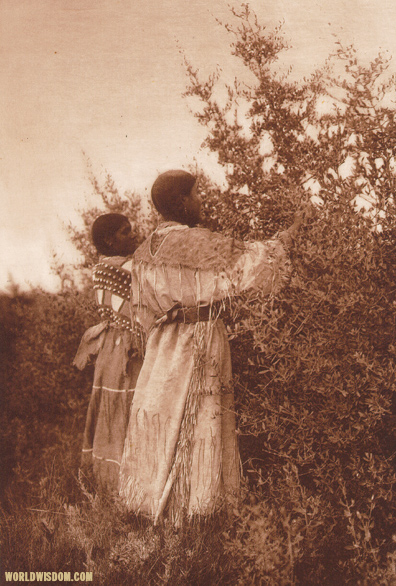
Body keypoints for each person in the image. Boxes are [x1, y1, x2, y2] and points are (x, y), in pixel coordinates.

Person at [119, 170, 303, 524]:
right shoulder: (196, 242)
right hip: (198, 338)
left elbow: (142, 313)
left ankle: (152, 504)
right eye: (196, 194)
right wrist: (288, 236)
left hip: (161, 347)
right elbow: (253, 261)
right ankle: (197, 508)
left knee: (164, 414)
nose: (200, 202)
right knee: (200, 417)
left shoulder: (143, 251)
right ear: (180, 202)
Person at [74, 213, 144, 492]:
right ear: (109, 240)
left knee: (113, 411)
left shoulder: (101, 268)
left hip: (111, 351)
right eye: (126, 232)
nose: (133, 235)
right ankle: (127, 487)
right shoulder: (126, 268)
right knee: (128, 409)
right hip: (128, 350)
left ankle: (111, 484)